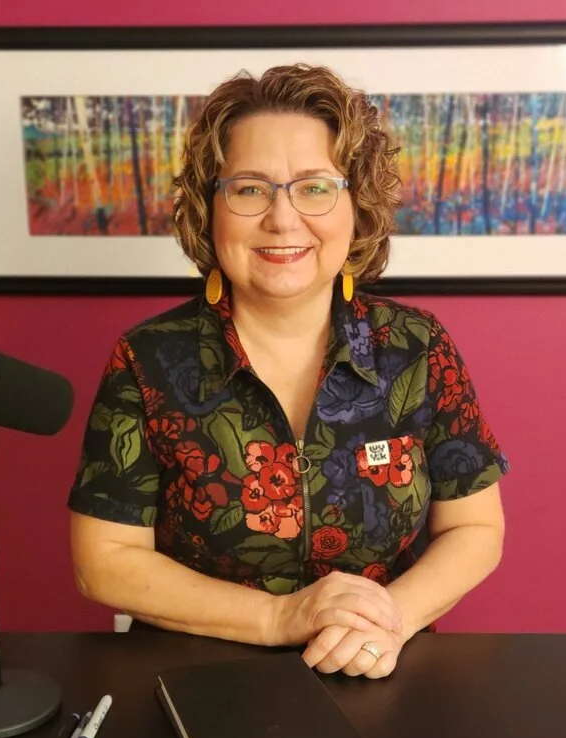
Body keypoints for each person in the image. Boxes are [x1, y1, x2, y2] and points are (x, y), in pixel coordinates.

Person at [67, 64, 508, 678]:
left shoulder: (419, 346)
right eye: (250, 188)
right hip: (196, 681)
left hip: (382, 669)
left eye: (314, 186)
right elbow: (104, 560)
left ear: (356, 203)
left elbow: (475, 525)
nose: (282, 218)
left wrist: (391, 621)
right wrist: (282, 618)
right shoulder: (147, 359)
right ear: (209, 208)